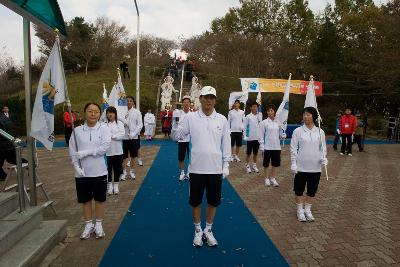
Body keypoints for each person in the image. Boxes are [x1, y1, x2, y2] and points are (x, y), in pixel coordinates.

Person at [173, 86, 231, 247]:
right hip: (196, 169)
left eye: (212, 97)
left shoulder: (222, 119)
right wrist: (176, 126)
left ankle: (209, 230)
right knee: (196, 202)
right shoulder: (191, 118)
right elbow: (178, 135)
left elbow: (226, 143)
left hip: (215, 170)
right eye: (206, 97)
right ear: (200, 99)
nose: (208, 100)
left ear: (215, 100)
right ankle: (198, 230)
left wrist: (226, 165)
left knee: (213, 202)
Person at [69, 102, 111, 239]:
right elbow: (73, 151)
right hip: (82, 173)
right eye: (90, 111)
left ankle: (98, 225)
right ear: (85, 113)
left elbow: (104, 148)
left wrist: (86, 152)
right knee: (85, 200)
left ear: (100, 114)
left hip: (99, 171)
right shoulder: (77, 131)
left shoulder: (104, 129)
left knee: (99, 200)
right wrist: (76, 166)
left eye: (96, 112)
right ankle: (88, 225)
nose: (93, 114)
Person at [290, 106, 327, 222]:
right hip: (301, 167)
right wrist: (293, 163)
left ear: (314, 116)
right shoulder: (298, 131)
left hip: (315, 168)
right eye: (304, 114)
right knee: (299, 190)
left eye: (308, 114)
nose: (305, 116)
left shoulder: (320, 132)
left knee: (312, 190)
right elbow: (293, 148)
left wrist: (323, 158)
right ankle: (300, 210)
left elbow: (323, 148)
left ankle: (307, 210)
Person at [259, 104, 286, 187]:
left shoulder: (278, 122)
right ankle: (266, 178)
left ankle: (273, 178)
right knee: (266, 164)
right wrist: (262, 145)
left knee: (275, 164)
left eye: (272, 110)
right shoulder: (264, 123)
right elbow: (260, 135)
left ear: (274, 112)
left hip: (277, 147)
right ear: (267, 112)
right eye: (269, 111)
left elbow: (281, 134)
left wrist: (283, 135)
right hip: (267, 147)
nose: (270, 112)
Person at [119, 96, 143, 180]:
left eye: (130, 101)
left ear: (133, 102)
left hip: (134, 137)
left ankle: (131, 171)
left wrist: (133, 134)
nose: (128, 102)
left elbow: (140, 125)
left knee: (133, 156)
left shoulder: (137, 112)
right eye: (127, 101)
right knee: (124, 157)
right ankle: (124, 172)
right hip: (124, 137)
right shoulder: (121, 112)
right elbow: (118, 123)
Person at [105, 106, 125, 195]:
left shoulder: (119, 123)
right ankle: (109, 185)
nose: (110, 114)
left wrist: (113, 136)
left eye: (111, 113)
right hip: (108, 152)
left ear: (115, 114)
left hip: (118, 151)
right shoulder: (104, 125)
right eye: (108, 113)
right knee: (108, 169)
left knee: (117, 169)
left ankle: (116, 184)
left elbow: (122, 135)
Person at [173, 96, 192, 181]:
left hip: (191, 140)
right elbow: (175, 125)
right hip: (181, 139)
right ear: (182, 104)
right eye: (184, 102)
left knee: (191, 157)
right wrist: (176, 135)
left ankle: (189, 172)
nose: (186, 103)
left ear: (190, 104)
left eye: (188, 102)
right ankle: (182, 172)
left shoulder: (193, 115)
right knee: (181, 157)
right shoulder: (178, 113)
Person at [243, 102, 261, 174]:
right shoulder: (248, 117)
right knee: (248, 153)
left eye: (256, 107)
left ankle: (254, 165)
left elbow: (261, 127)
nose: (254, 108)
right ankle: (247, 166)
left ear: (257, 108)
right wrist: (245, 135)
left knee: (255, 153)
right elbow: (244, 126)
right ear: (250, 108)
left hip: (257, 138)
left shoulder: (259, 116)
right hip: (250, 138)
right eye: (253, 107)